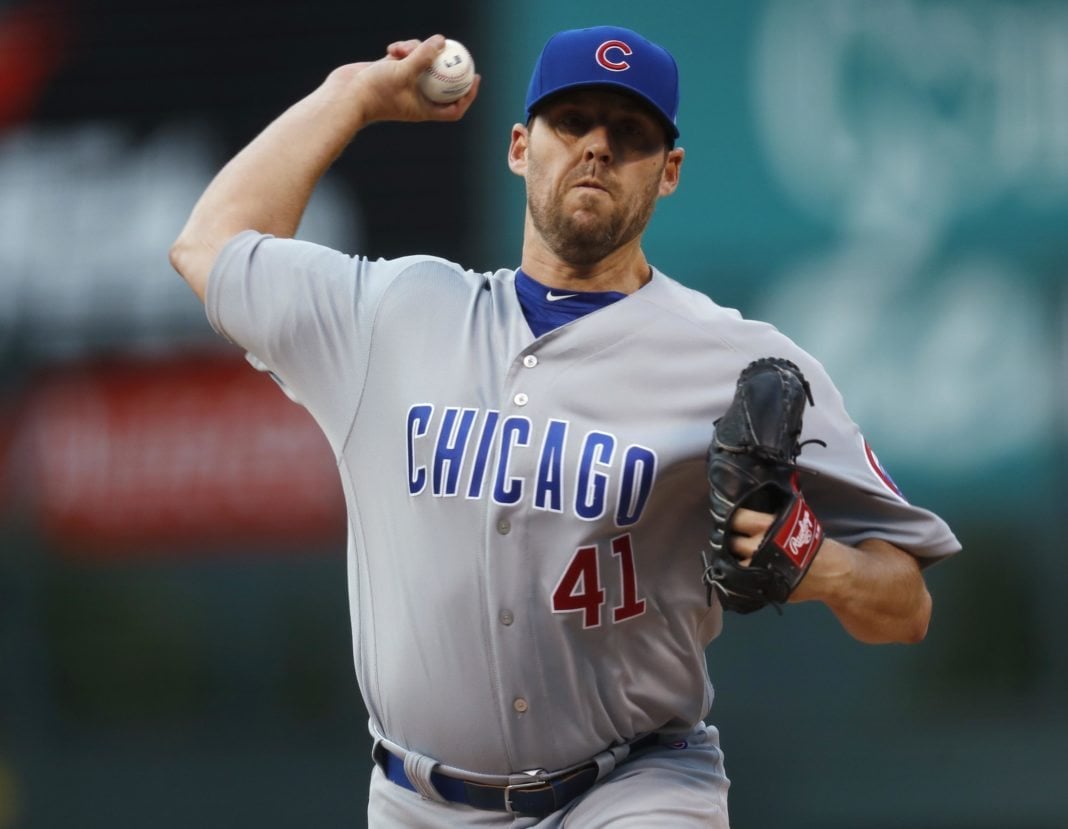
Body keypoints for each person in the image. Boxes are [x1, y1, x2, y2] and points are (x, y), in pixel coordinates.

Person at [170, 25, 960, 828]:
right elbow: (210, 246)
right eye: (571, 120)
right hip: (418, 802)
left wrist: (816, 563)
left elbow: (908, 605)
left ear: (669, 171)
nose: (596, 147)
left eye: (630, 133)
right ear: (520, 147)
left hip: (634, 787)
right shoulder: (394, 315)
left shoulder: (739, 360)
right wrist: (354, 95)